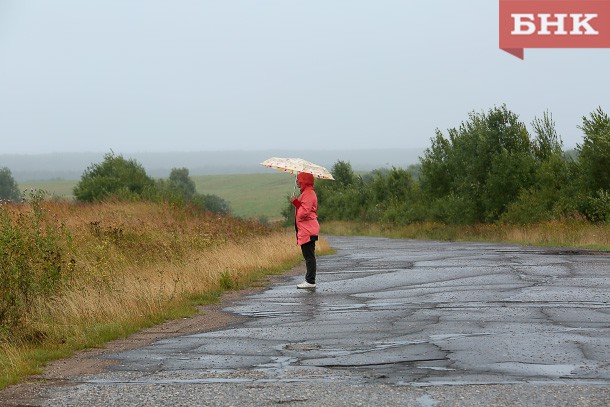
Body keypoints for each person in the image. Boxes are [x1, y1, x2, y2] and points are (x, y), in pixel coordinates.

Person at [290, 172, 320, 289]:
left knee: (309, 256)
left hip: (308, 230)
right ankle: (309, 280)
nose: (297, 182)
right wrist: (297, 202)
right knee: (308, 255)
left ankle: (310, 281)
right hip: (307, 229)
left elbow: (304, 212)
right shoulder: (307, 193)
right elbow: (304, 209)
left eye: (299, 180)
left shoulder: (308, 194)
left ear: (304, 181)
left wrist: (295, 202)